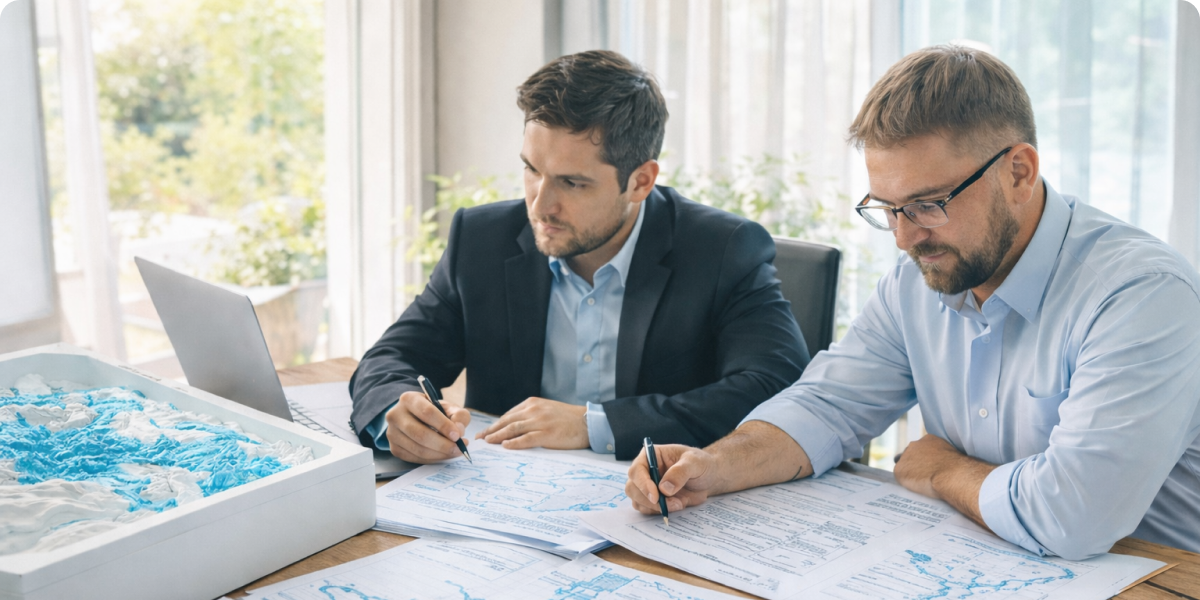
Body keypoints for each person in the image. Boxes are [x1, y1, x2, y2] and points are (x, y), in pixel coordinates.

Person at [626, 44, 1200, 559]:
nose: (903, 238)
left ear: (1019, 173)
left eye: (929, 204)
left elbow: (1074, 516)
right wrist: (713, 466)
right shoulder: (919, 278)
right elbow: (827, 407)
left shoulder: (1141, 295)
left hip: (1153, 576)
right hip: (986, 558)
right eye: (888, 208)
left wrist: (945, 469)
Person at [349, 50, 809, 462]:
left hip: (658, 506)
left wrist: (595, 424)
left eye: (572, 182)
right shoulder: (481, 238)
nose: (539, 204)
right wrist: (397, 411)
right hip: (502, 504)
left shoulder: (725, 250)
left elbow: (774, 389)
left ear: (641, 182)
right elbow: (392, 358)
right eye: (532, 170)